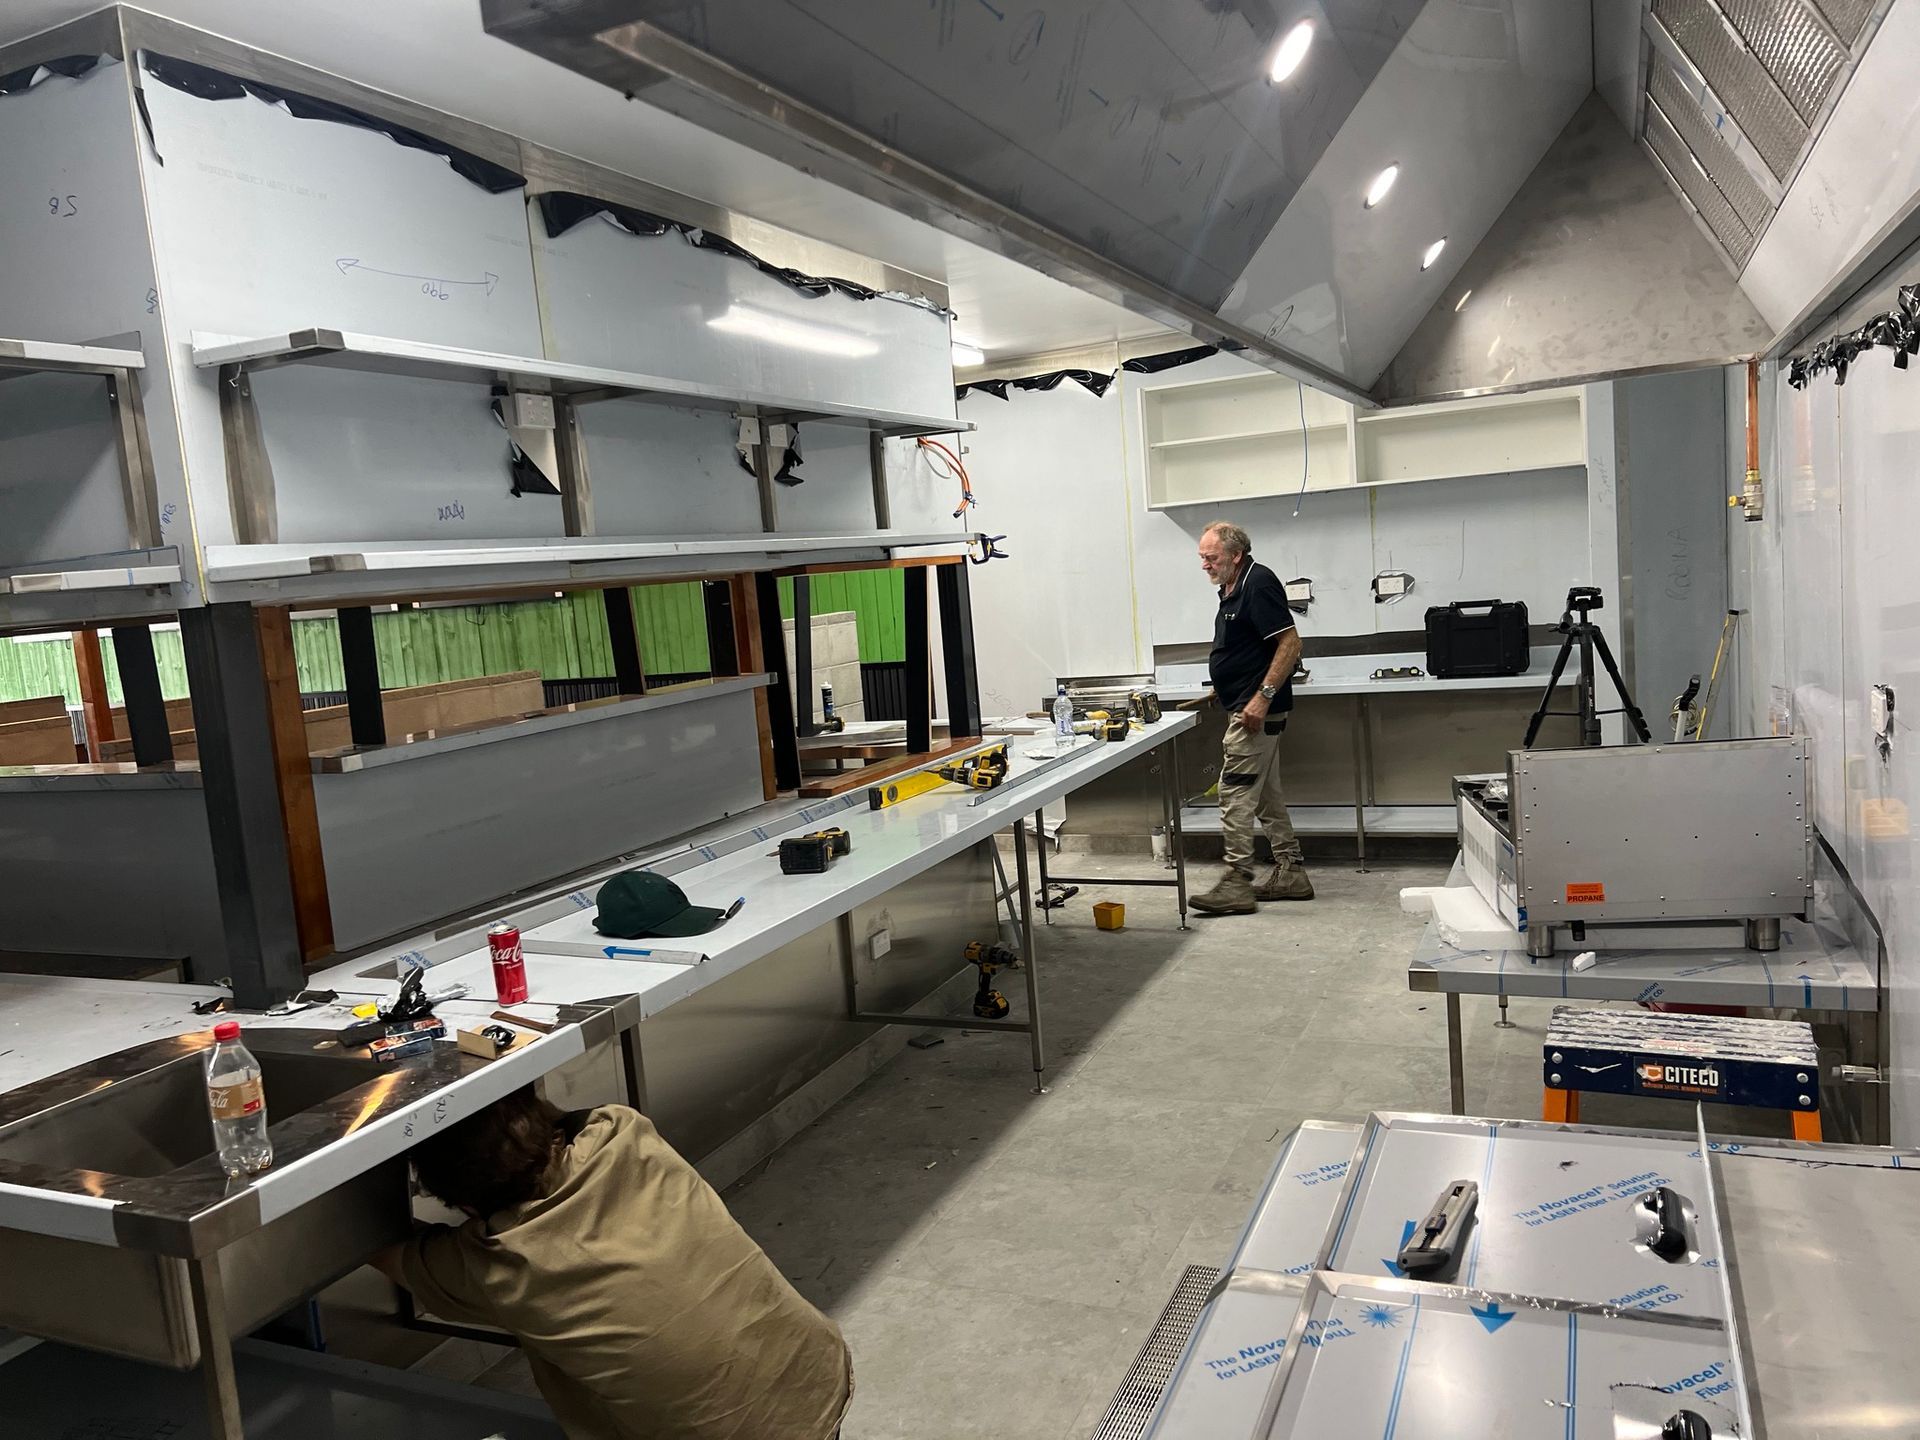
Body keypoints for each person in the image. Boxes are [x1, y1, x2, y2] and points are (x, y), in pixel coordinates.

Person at [373, 1087, 852, 1440]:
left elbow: (377, 1244)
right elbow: (559, 1117)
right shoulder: (622, 1134)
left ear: (465, 1207)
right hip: (813, 1374)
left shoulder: (494, 1264)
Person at [1190, 520, 1311, 915]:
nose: (1205, 565)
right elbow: (1246, 648)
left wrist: (1261, 697)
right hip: (1245, 703)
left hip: (1256, 713)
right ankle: (1291, 871)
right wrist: (1223, 687)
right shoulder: (1233, 585)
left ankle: (1237, 881)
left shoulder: (1257, 583)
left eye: (1211, 557)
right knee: (1265, 797)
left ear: (1235, 555)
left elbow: (1290, 643)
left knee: (1235, 792)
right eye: (1203, 558)